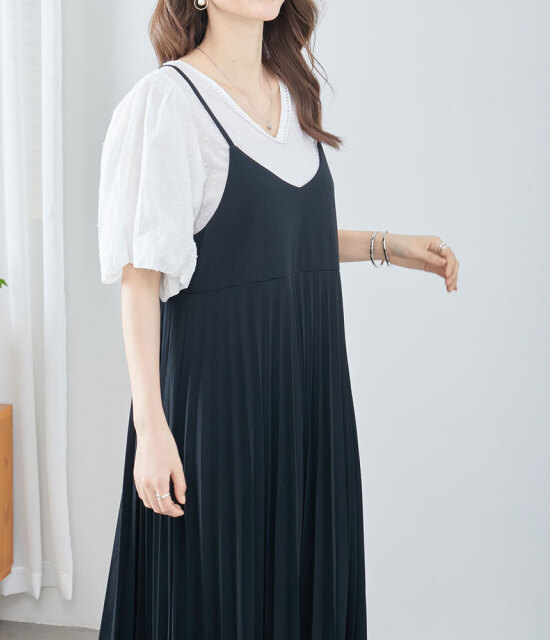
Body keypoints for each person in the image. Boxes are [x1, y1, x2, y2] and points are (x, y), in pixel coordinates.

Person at [96, 0, 460, 638]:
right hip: (220, 408)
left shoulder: (290, 93)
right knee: (218, 596)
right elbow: (141, 275)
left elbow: (281, 240)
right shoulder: (170, 102)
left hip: (307, 395)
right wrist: (151, 429)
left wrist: (389, 246)